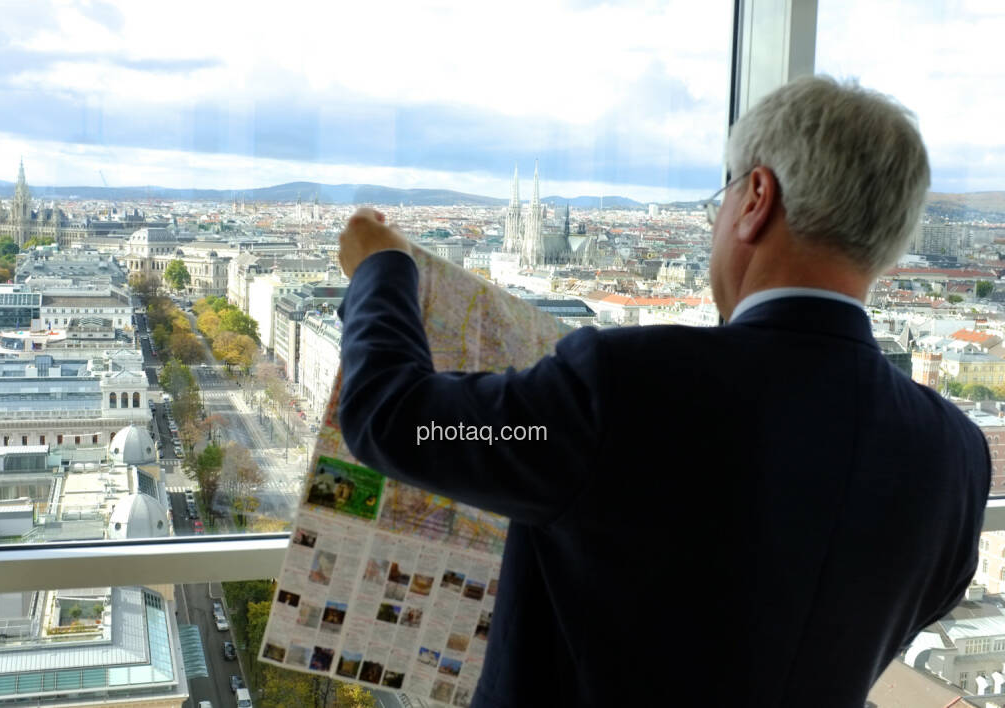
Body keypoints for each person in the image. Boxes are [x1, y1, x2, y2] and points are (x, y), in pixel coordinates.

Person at [335, 76, 990, 707]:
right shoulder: (955, 456)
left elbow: (403, 422)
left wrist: (380, 269)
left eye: (723, 197)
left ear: (757, 197)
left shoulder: (625, 389)